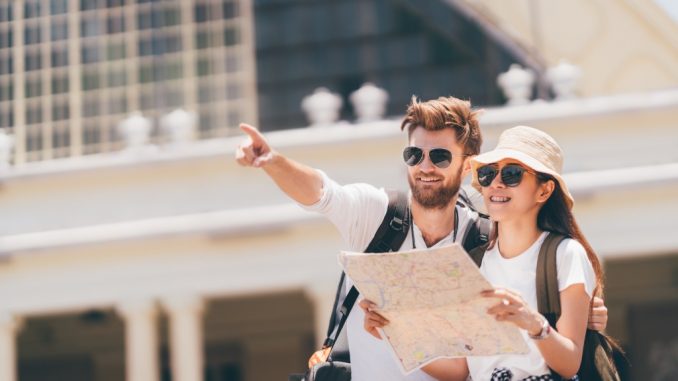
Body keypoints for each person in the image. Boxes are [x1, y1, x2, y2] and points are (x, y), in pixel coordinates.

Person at [235, 97, 608, 381]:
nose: (424, 166)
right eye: (414, 155)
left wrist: (575, 313)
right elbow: (321, 192)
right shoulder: (376, 214)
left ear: (466, 167)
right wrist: (273, 161)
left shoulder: (481, 240)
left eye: (440, 156)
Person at [363, 125, 608, 380]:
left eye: (512, 174)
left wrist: (534, 324)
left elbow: (570, 363)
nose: (497, 184)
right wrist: (393, 331)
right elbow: (461, 369)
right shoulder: (474, 261)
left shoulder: (566, 254)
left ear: (544, 190)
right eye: (489, 174)